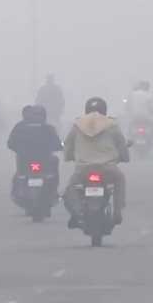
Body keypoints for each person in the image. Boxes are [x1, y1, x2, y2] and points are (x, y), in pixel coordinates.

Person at [63, 97, 129, 227]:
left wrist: (69, 157)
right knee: (120, 180)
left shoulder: (78, 125)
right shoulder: (112, 124)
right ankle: (117, 212)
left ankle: (77, 213)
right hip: (108, 168)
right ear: (104, 110)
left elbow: (68, 144)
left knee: (71, 188)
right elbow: (121, 144)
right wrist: (124, 157)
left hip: (83, 169)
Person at [7, 104, 64, 196]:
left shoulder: (20, 127)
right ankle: (53, 191)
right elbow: (57, 144)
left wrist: (19, 150)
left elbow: (10, 143)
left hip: (24, 160)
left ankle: (18, 191)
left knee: (19, 173)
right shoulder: (48, 128)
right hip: (45, 161)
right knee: (55, 161)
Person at [125, 80, 153, 147]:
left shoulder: (132, 94)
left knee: (129, 130)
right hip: (146, 118)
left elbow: (127, 107)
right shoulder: (149, 95)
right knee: (152, 131)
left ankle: (127, 143)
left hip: (135, 118)